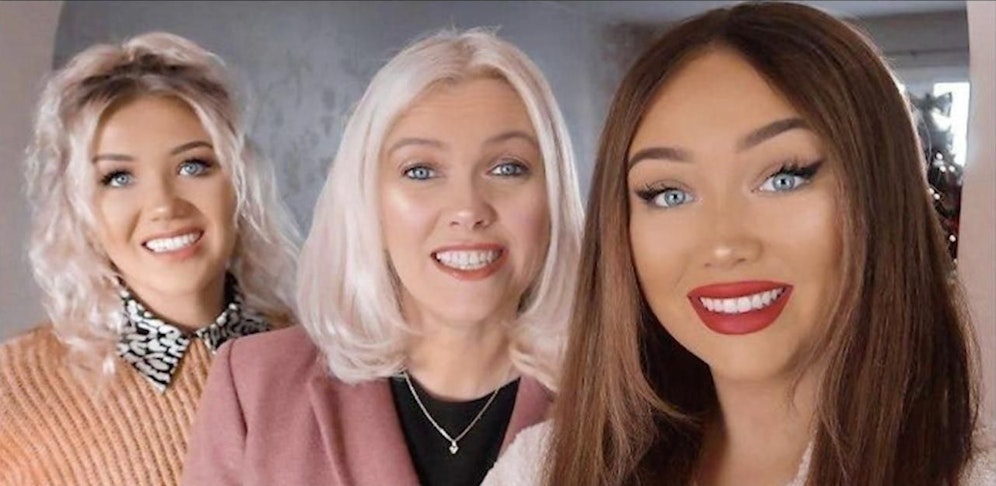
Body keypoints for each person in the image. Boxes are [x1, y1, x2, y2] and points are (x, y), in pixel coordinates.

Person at [484, 2, 994, 485]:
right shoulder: (538, 471)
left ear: (880, 196)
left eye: (783, 178)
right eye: (669, 194)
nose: (723, 244)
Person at [181, 27, 583, 486]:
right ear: (367, 200)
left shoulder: (624, 392)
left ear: (554, 196)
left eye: (508, 168)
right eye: (421, 171)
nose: (468, 209)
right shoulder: (253, 384)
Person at [0, 32, 298, 485]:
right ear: (77, 208)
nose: (163, 206)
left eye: (193, 166)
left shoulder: (321, 361)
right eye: (118, 177)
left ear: (239, 183)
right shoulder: (13, 393)